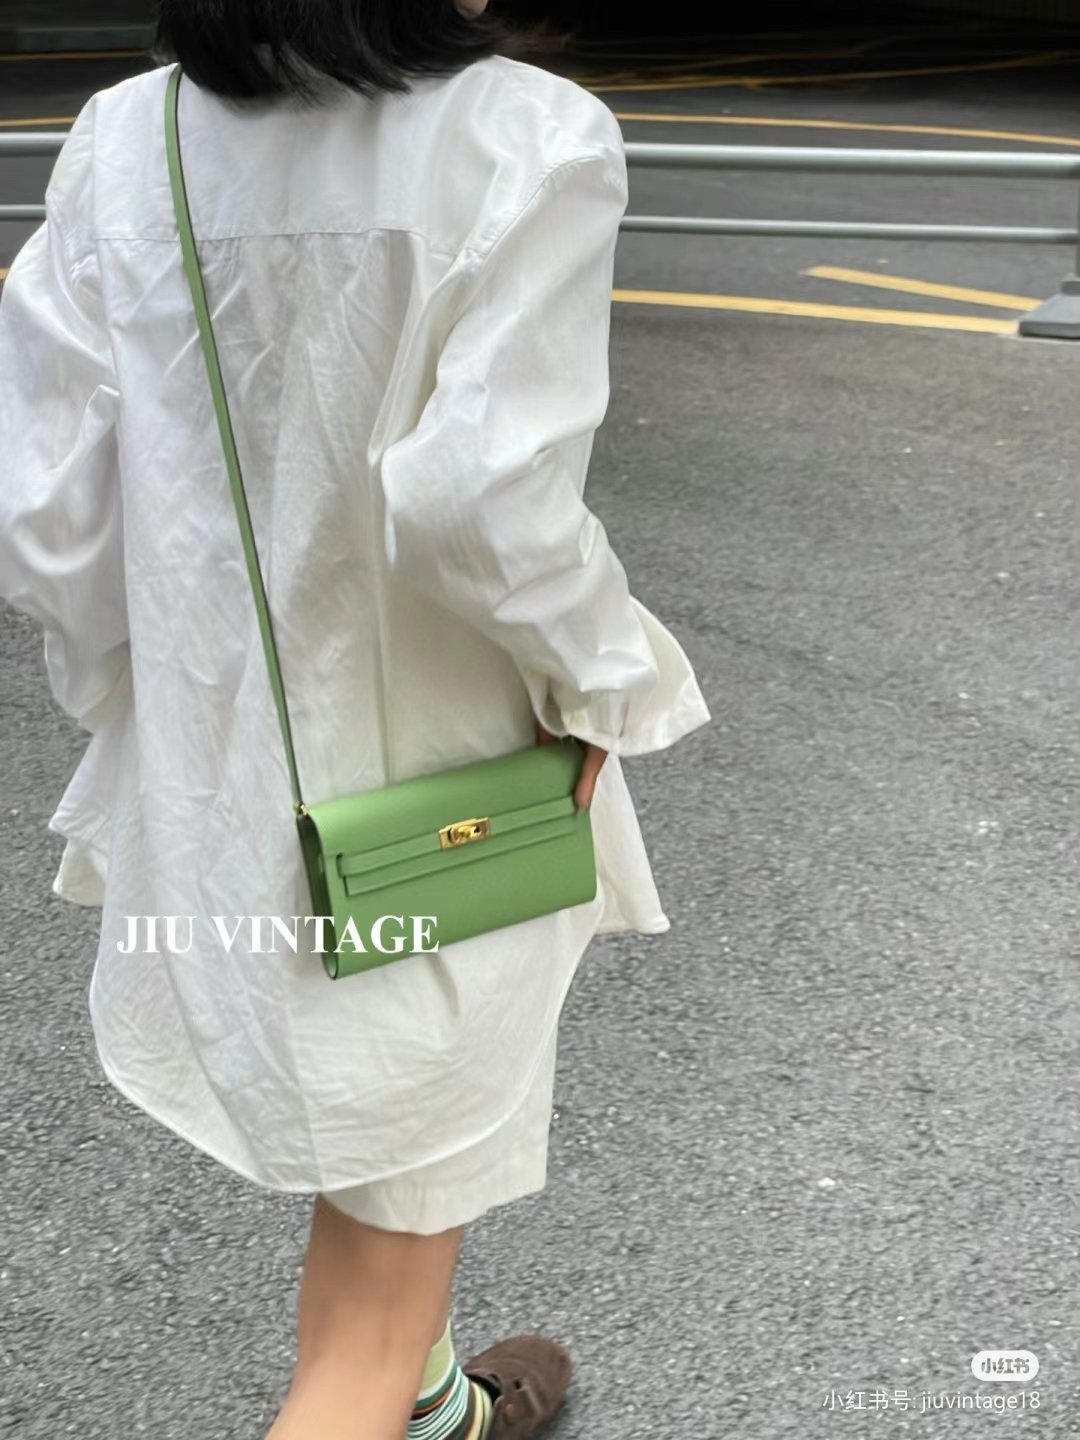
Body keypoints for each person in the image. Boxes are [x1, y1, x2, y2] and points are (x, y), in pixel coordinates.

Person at [0, 2, 711, 1437]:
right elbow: (478, 501)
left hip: (216, 775)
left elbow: (46, 516)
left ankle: (439, 1404)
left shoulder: (127, 136)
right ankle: (398, 1390)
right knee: (364, 1314)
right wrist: (609, 681)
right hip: (443, 795)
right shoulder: (524, 133)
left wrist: (143, 700)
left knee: (387, 1140)